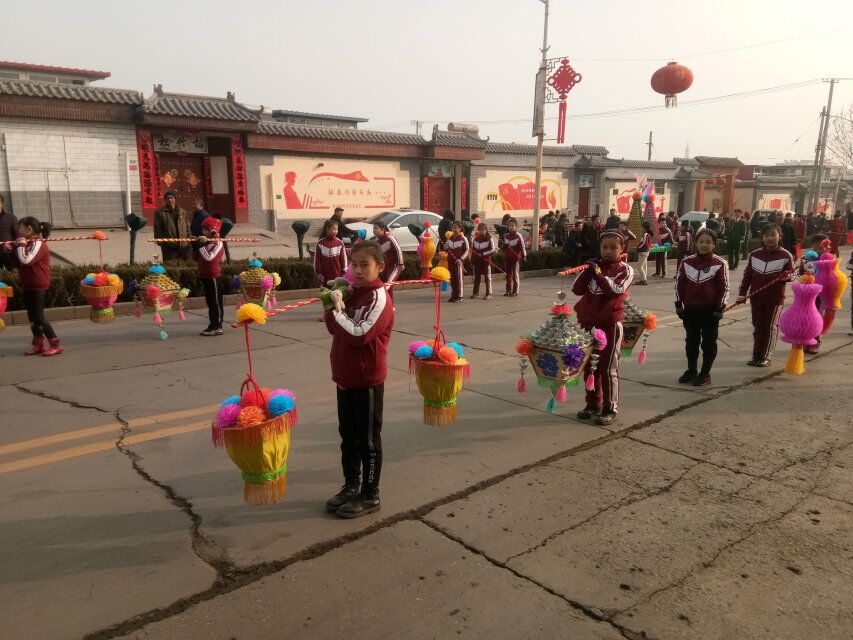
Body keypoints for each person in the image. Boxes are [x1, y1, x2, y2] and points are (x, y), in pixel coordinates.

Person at [323, 240, 394, 518]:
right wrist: (334, 305)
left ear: (380, 267)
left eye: (365, 265)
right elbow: (333, 327)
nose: (359, 270)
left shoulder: (378, 297)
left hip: (367, 380)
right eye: (354, 264)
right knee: (348, 438)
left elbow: (358, 334)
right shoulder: (353, 292)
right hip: (345, 377)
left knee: (368, 441)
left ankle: (370, 494)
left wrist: (336, 310)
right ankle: (351, 486)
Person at [572, 231, 634, 426]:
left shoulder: (625, 269)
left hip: (609, 325)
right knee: (589, 367)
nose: (608, 251)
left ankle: (610, 408)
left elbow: (614, 291)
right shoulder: (593, 267)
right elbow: (576, 290)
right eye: (604, 247)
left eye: (613, 247)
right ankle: (593, 404)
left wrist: (598, 275)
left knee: (608, 368)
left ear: (621, 249)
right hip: (587, 324)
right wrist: (588, 271)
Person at [674, 229, 729, 386]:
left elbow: (723, 288)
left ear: (714, 244)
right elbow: (679, 284)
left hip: (710, 311)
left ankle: (705, 373)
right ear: (696, 243)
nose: (704, 245)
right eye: (701, 241)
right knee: (691, 341)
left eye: (708, 242)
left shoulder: (720, 263)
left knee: (708, 343)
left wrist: (719, 308)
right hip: (690, 310)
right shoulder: (686, 262)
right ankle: (691, 370)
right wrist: (678, 305)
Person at [736, 223, 794, 367]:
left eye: (773, 235)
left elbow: (792, 275)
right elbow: (747, 276)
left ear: (780, 236)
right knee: (758, 327)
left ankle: (766, 356)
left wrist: (786, 276)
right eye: (766, 235)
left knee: (770, 327)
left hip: (774, 299)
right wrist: (742, 293)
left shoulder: (786, 255)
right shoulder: (754, 255)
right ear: (762, 237)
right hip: (756, 298)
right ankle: (756, 354)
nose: (769, 238)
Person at [3, 216, 62, 356]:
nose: (18, 231)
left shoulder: (39, 244)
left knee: (39, 317)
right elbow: (19, 263)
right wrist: (10, 251)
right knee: (32, 317)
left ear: (29, 229)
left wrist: (21, 245)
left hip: (38, 285)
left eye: (20, 228)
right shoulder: (28, 243)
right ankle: (39, 343)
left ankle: (55, 343)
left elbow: (26, 260)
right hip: (28, 284)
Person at [195, 217, 225, 336]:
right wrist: (196, 246)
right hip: (204, 275)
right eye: (202, 229)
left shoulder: (218, 243)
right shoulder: (207, 242)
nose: (203, 232)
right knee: (210, 302)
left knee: (216, 302)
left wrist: (202, 245)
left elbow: (209, 257)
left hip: (213, 276)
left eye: (206, 230)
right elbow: (197, 258)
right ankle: (212, 324)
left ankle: (217, 325)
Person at [154, 191, 192, 262]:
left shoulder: (183, 212)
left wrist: (189, 238)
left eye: (171, 198)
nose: (170, 200)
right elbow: (157, 228)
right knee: (171, 267)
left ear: (175, 199)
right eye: (167, 198)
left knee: (187, 266)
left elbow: (187, 226)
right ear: (165, 200)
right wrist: (160, 241)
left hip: (184, 245)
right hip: (169, 246)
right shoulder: (160, 213)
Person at [373, 221, 403, 303]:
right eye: (373, 228)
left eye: (376, 228)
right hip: (384, 269)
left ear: (382, 229)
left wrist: (401, 263)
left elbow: (398, 250)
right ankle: (390, 306)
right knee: (388, 287)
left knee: (387, 285)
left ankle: (387, 306)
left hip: (395, 267)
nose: (374, 230)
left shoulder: (390, 238)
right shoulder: (376, 241)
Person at [314, 219, 347, 286]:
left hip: (337, 276)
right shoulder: (320, 243)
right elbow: (317, 259)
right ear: (327, 229)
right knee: (326, 294)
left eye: (337, 229)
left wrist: (344, 272)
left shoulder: (340, 243)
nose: (335, 231)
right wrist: (318, 273)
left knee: (336, 294)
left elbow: (343, 259)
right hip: (324, 277)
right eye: (333, 229)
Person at [445, 221, 469, 303]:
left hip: (459, 262)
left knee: (459, 279)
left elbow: (467, 250)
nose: (454, 229)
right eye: (453, 228)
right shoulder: (450, 238)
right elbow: (447, 248)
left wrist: (461, 259)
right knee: (452, 279)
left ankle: (459, 296)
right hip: (450, 261)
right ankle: (454, 294)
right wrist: (445, 247)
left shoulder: (463, 238)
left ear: (460, 228)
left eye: (456, 228)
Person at [471, 221, 495, 300]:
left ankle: (488, 293)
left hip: (486, 261)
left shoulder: (489, 238)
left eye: (483, 230)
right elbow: (473, 250)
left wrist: (483, 254)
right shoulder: (476, 239)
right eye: (480, 230)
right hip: (477, 262)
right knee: (476, 277)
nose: (481, 231)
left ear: (486, 230)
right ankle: (475, 293)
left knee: (487, 277)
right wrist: (473, 259)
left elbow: (493, 250)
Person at [502, 217, 525, 296]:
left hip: (515, 258)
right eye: (509, 226)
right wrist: (504, 248)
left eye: (512, 225)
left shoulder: (518, 236)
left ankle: (515, 291)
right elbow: (503, 247)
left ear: (516, 226)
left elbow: (522, 246)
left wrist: (524, 256)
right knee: (508, 275)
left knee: (515, 275)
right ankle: (508, 290)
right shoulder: (506, 236)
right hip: (507, 258)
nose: (511, 227)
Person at [0, 194, 20, 271]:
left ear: (2, 204)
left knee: (10, 278)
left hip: (8, 254)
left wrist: (11, 247)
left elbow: (17, 236)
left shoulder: (11, 218)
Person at [635, 220, 652, 285]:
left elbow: (644, 243)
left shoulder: (645, 234)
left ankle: (644, 280)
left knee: (639, 267)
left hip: (643, 252)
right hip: (645, 252)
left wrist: (638, 248)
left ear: (644, 227)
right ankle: (643, 279)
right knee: (644, 267)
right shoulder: (648, 234)